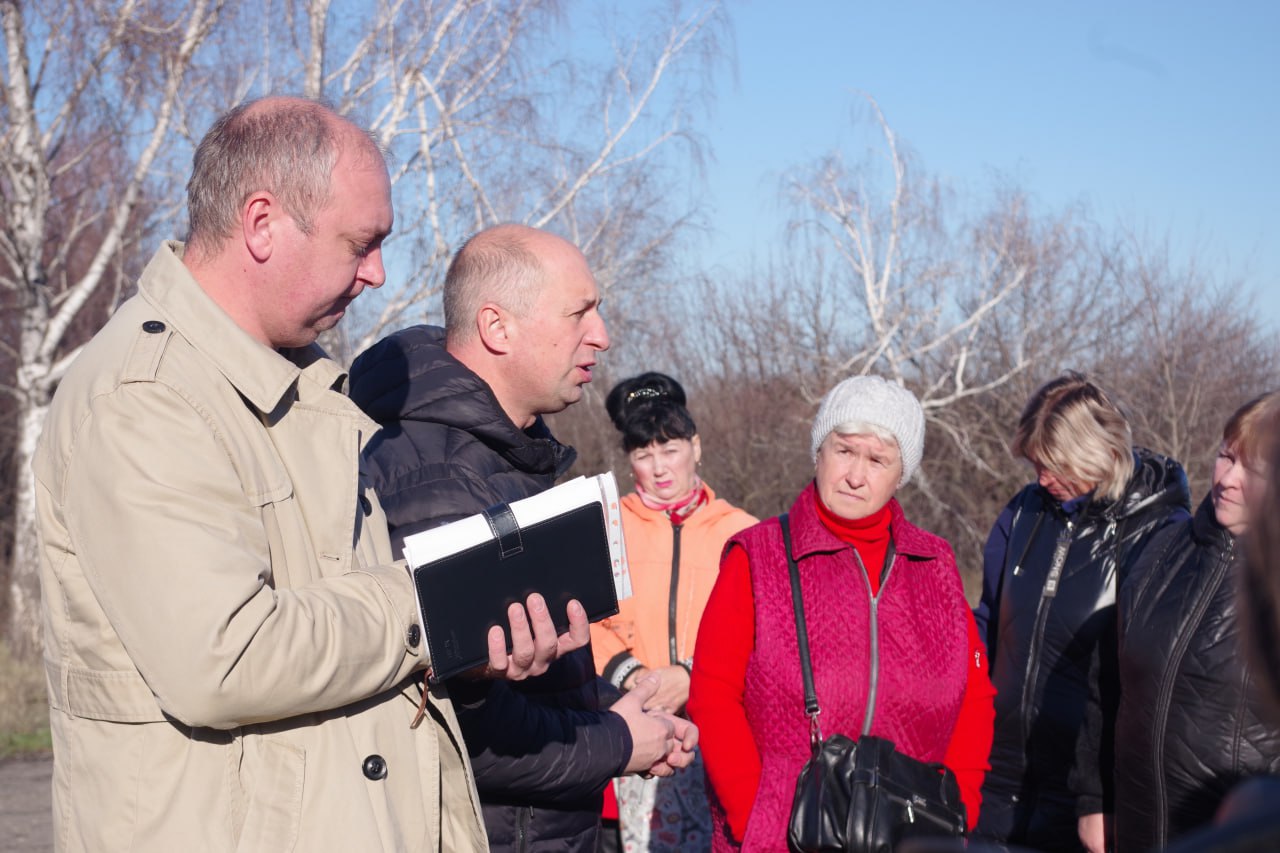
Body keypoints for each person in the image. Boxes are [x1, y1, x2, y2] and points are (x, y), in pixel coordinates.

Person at [31, 96, 514, 851]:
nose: (378, 274)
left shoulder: (289, 392)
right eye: (362, 243)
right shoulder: (146, 396)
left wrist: (467, 647)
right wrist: (431, 603)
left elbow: (341, 655)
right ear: (262, 224)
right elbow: (227, 657)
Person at [348, 224, 698, 853]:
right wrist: (620, 742)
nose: (602, 336)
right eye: (579, 313)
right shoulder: (439, 480)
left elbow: (525, 683)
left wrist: (621, 702)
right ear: (497, 328)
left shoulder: (505, 459)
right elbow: (454, 730)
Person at [688, 375, 995, 852]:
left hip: (908, 833)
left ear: (901, 474)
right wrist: (757, 818)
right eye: (845, 451)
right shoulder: (760, 556)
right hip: (784, 837)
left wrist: (960, 805)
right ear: (819, 452)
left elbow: (973, 698)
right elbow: (713, 695)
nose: (856, 475)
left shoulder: (935, 565)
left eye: (877, 460)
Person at [973, 372, 1191, 853]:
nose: (1042, 478)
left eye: (1055, 464)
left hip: (1088, 796)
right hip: (997, 776)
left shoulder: (1164, 531)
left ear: (1098, 452)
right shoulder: (1024, 512)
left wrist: (1104, 793)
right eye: (1036, 464)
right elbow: (987, 622)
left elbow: (1158, 678)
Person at [592, 372, 757, 852]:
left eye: (670, 449)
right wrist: (635, 677)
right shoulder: (606, 525)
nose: (659, 467)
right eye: (644, 454)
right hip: (629, 721)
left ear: (696, 447)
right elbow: (585, 619)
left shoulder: (742, 532)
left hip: (719, 726)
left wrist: (692, 674)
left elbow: (758, 628)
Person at [1109, 391, 1280, 851]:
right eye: (1226, 457)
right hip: (1135, 829)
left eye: (1255, 470)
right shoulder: (1160, 548)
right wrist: (1093, 798)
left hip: (1236, 837)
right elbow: (1104, 684)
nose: (1228, 479)